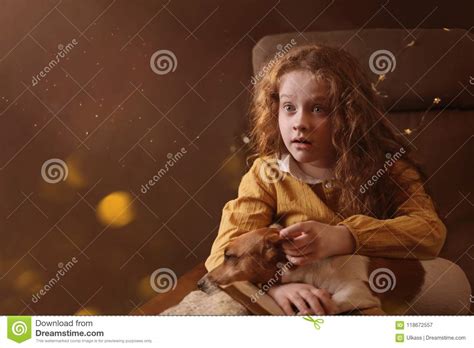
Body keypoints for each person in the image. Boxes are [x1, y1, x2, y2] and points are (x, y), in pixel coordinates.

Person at [204, 45, 446, 315]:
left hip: (373, 295)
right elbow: (223, 255)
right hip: (300, 299)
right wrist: (274, 288)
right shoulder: (266, 175)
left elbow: (429, 232)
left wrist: (345, 237)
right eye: (288, 107)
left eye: (318, 109)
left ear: (349, 116)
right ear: (275, 112)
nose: (300, 123)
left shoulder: (389, 169)